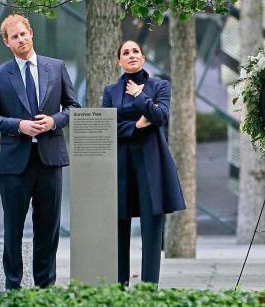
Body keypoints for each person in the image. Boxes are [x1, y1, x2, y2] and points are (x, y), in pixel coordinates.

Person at [0, 14, 80, 289]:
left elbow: (73, 107)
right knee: (13, 229)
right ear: (7, 42)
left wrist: (54, 121)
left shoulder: (56, 67)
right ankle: (13, 287)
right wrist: (18, 125)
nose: (21, 39)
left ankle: (44, 289)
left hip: (50, 160)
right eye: (14, 37)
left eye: (23, 33)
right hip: (15, 165)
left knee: (48, 230)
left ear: (31, 33)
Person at [102, 40, 186, 286]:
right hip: (120, 165)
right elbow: (107, 127)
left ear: (143, 57)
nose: (131, 55)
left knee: (152, 231)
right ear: (119, 61)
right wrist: (136, 126)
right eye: (125, 53)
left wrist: (140, 96)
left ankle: (149, 290)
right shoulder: (110, 91)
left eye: (135, 51)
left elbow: (160, 117)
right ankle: (119, 289)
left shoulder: (159, 86)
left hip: (152, 165)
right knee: (119, 228)